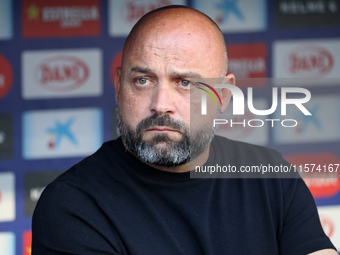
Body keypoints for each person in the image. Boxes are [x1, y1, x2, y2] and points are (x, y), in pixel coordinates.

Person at [32, 5, 337, 255]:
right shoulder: (73, 205)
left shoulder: (269, 175)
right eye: (142, 80)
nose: (160, 104)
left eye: (185, 83)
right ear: (118, 86)